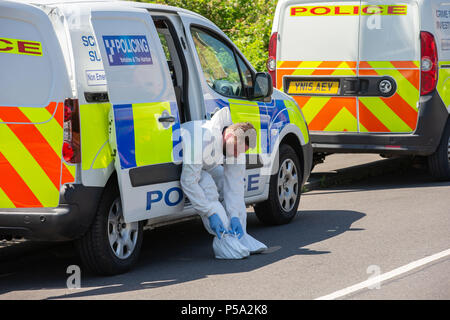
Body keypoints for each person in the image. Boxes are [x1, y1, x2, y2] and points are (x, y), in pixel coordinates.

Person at [180, 107, 267, 259]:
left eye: (241, 152)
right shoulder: (203, 138)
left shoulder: (237, 147)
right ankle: (224, 238)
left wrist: (235, 216)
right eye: (235, 149)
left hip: (204, 165)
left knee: (223, 180)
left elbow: (235, 186)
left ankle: (240, 235)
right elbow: (188, 180)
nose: (236, 154)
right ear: (229, 135)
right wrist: (209, 212)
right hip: (183, 164)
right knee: (208, 186)